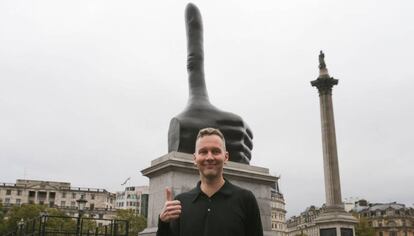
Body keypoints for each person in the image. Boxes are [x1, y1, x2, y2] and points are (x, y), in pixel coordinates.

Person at [157, 127, 263, 236]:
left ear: (226, 157)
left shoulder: (245, 199)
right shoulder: (180, 203)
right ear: (195, 158)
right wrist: (163, 222)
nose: (209, 157)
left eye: (215, 151)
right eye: (203, 152)